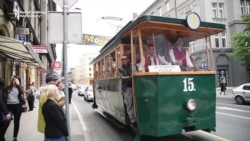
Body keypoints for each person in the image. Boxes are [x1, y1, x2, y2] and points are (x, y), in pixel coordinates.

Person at [118, 54, 137, 127]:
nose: (123, 61)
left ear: (128, 60)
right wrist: (131, 76)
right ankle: (133, 121)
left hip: (135, 86)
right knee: (129, 104)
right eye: (122, 59)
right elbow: (123, 78)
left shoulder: (132, 65)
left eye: (125, 59)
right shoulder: (120, 68)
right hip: (127, 88)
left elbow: (136, 72)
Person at [5, 77, 24, 141]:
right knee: (6, 121)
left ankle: (15, 137)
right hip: (9, 106)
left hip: (17, 106)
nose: (14, 81)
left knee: (16, 122)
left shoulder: (19, 88)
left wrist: (18, 85)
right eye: (13, 80)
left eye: (16, 80)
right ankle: (2, 135)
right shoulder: (7, 88)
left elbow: (22, 93)